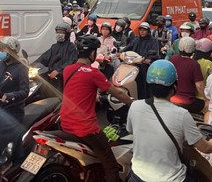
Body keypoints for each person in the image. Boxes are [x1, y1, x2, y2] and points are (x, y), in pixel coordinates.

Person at [126, 60, 212, 182]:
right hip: (171, 178)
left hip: (137, 175)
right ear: (174, 87)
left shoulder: (135, 106)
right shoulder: (182, 115)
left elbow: (131, 130)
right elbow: (205, 148)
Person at [60, 35, 133, 182]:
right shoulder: (93, 73)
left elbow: (80, 91)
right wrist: (134, 103)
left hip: (65, 124)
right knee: (111, 165)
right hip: (86, 129)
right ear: (92, 54)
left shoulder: (67, 70)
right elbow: (118, 92)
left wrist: (96, 97)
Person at [0, 36, 29, 166]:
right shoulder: (0, 64)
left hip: (13, 109)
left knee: (4, 135)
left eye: (3, 49)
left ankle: (6, 162)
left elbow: (24, 91)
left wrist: (10, 95)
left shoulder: (21, 68)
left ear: (12, 51)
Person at [169, 37, 206, 113]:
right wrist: (208, 98)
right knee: (207, 105)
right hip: (187, 101)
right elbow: (199, 86)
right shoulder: (194, 64)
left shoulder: (173, 59)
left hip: (171, 98)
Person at [38, 22, 78, 91]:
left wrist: (58, 71)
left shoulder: (71, 47)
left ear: (67, 34)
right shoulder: (54, 46)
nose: (59, 34)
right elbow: (44, 58)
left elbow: (72, 61)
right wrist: (33, 65)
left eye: (62, 32)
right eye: (58, 32)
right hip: (50, 75)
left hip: (62, 77)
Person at [125, 22, 160, 98]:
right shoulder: (136, 40)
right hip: (135, 64)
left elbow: (155, 53)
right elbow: (128, 47)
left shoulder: (153, 41)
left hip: (147, 66)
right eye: (140, 30)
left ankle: (147, 98)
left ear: (148, 31)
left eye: (144, 30)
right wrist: (120, 53)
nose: (142, 32)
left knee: (146, 84)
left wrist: (149, 59)